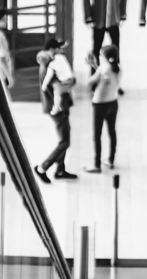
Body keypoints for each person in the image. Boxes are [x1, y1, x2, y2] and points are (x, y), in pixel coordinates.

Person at [34, 38, 77, 182]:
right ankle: (42, 168)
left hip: (59, 106)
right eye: (59, 48)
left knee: (64, 138)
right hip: (57, 108)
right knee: (65, 142)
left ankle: (60, 170)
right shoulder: (50, 67)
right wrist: (72, 82)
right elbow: (59, 87)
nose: (62, 50)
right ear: (52, 50)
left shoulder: (48, 63)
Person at [83, 45, 121, 173]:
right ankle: (110, 160)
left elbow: (89, 82)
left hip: (100, 105)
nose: (99, 57)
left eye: (100, 55)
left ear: (104, 57)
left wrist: (91, 67)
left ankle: (96, 164)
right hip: (113, 103)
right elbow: (106, 77)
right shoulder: (118, 68)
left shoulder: (102, 70)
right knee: (112, 132)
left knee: (97, 135)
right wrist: (95, 66)